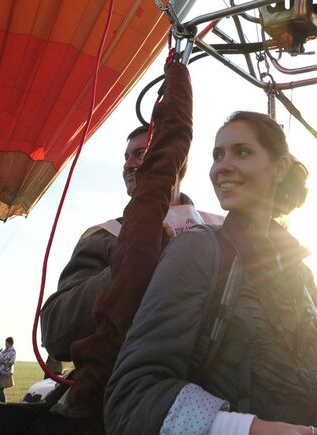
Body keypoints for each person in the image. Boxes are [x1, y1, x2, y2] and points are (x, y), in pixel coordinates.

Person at [105, 111, 317, 435]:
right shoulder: (200, 250)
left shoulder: (302, 272)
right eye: (218, 154)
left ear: (279, 168)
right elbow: (132, 397)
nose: (223, 166)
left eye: (241, 152)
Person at [41, 125, 222, 362]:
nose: (127, 165)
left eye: (140, 154)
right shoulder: (105, 236)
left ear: (177, 157)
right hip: (126, 383)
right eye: (126, 157)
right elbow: (56, 332)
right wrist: (129, 261)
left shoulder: (221, 229)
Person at [0, 337, 16, 403]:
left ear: (10, 343)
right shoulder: (3, 351)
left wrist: (3, 361)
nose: (5, 344)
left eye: (6, 342)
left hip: (5, 373)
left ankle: (3, 404)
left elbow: (12, 362)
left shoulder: (12, 351)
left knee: (0, 389)